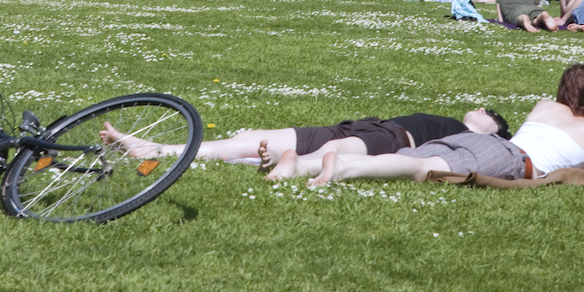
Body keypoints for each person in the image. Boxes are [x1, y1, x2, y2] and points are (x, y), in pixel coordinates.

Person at [284, 64, 584, 186]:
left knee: (409, 156)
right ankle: (343, 169)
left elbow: (562, 136)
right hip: (511, 160)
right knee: (420, 169)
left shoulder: (545, 107)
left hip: (473, 141)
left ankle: (298, 165)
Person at [100, 107, 511, 168]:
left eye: (492, 114)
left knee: (335, 151)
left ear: (496, 130)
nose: (483, 110)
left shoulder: (479, 140)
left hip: (391, 138)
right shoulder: (455, 123)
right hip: (361, 125)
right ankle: (154, 148)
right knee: (249, 135)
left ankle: (284, 167)